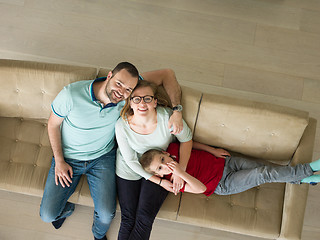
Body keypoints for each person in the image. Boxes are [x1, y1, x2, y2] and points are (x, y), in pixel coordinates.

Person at [39, 62, 183, 240]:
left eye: (128, 90)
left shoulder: (127, 97)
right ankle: (66, 209)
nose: (121, 92)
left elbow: (167, 72)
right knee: (47, 215)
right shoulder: (71, 94)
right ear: (109, 76)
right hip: (68, 158)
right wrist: (59, 161)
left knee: (107, 214)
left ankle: (98, 235)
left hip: (102, 158)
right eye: (118, 84)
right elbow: (52, 124)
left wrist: (177, 110)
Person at [115, 80, 193, 240]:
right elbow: (130, 161)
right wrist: (158, 182)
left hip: (159, 166)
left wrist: (180, 171)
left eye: (147, 98)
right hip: (130, 168)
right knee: (128, 218)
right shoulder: (121, 126)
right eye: (136, 99)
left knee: (144, 218)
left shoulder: (168, 119)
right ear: (130, 103)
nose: (142, 103)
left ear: (155, 101)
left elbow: (186, 139)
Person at [139, 142, 320, 196]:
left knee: (267, 168)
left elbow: (192, 143)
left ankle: (303, 179)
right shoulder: (175, 182)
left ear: (164, 152)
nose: (165, 165)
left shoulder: (173, 149)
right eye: (161, 168)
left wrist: (213, 150)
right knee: (262, 174)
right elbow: (201, 189)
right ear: (158, 174)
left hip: (226, 163)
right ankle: (311, 167)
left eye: (162, 159)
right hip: (223, 184)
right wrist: (179, 173)